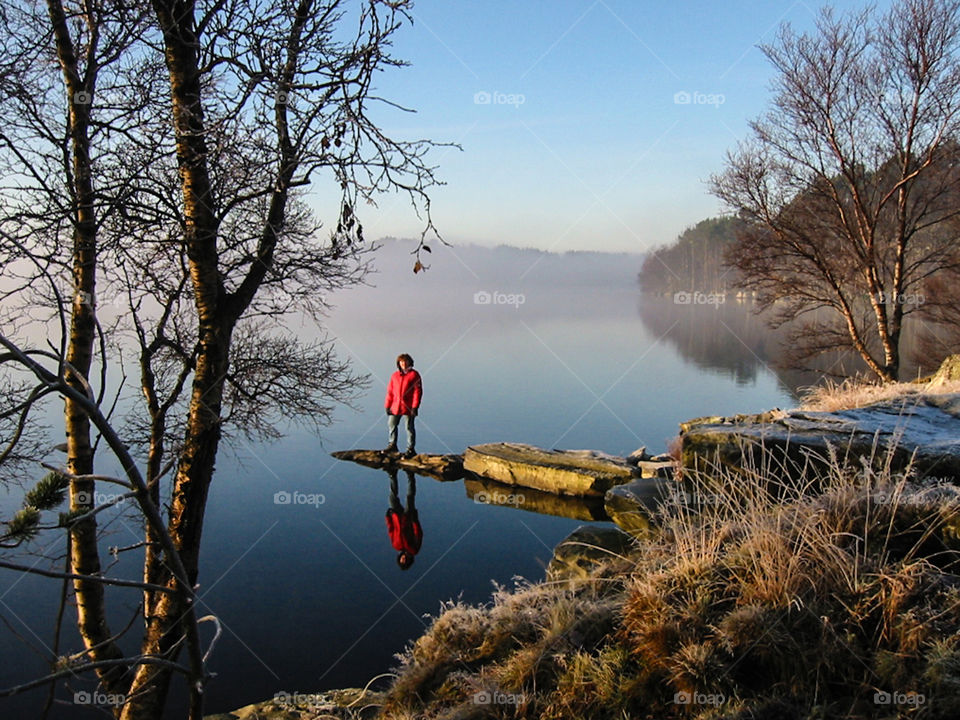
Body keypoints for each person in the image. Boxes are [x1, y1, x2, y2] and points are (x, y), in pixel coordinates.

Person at [384, 353, 422, 458]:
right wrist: (387, 405)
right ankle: (392, 445)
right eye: (401, 362)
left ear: (410, 362)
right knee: (391, 424)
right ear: (398, 363)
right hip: (395, 406)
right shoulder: (395, 375)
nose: (403, 364)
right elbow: (390, 392)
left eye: (405, 361)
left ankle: (410, 449)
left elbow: (417, 392)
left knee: (409, 427)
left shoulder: (414, 375)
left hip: (408, 407)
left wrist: (415, 407)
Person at [385, 469, 422, 570]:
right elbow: (418, 534)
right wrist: (415, 521)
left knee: (392, 498)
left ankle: (392, 475)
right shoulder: (414, 550)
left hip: (396, 517)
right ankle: (410, 475)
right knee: (409, 497)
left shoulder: (396, 546)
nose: (403, 559)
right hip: (409, 518)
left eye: (401, 560)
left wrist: (388, 517)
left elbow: (391, 530)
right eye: (405, 561)